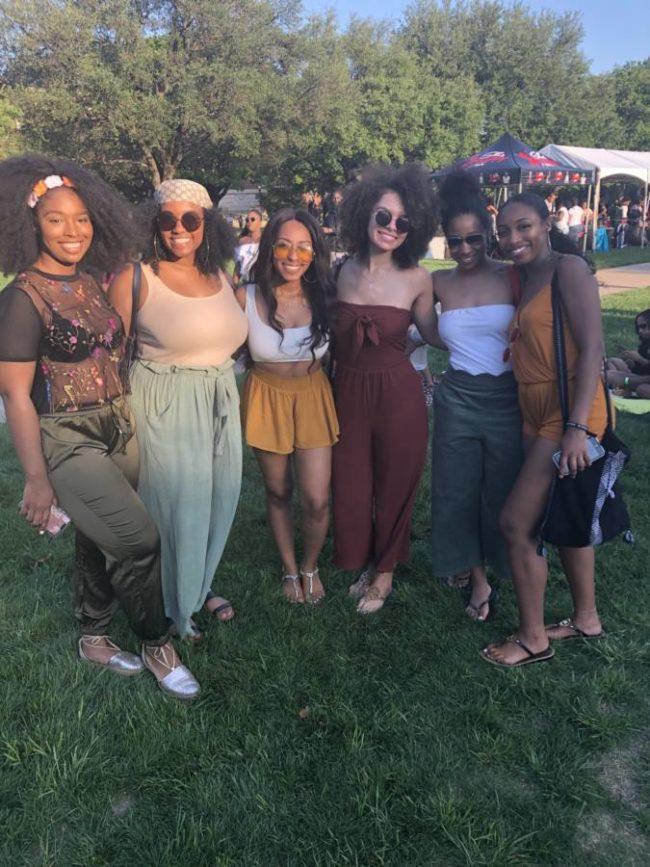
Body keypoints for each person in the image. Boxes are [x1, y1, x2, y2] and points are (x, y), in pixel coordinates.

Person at [0, 155, 199, 699]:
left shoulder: (90, 281)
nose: (73, 230)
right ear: (32, 224)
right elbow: (16, 394)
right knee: (138, 541)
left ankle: (92, 634)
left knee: (96, 535)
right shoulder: (20, 299)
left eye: (83, 218)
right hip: (68, 437)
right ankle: (158, 645)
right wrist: (37, 480)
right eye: (57, 219)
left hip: (121, 425)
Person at [109, 179, 247, 640]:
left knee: (217, 497)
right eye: (167, 219)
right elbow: (112, 356)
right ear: (153, 224)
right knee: (172, 506)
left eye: (191, 219)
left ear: (208, 225)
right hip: (163, 403)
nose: (178, 230)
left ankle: (199, 584)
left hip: (219, 399)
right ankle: (171, 602)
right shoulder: (135, 277)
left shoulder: (222, 275)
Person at [482, 192, 608, 668]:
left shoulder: (568, 269)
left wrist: (576, 427)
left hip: (567, 411)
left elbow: (594, 348)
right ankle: (586, 618)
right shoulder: (525, 275)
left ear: (547, 223)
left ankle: (533, 638)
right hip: (533, 410)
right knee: (565, 513)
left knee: (517, 524)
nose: (514, 239)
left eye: (525, 227)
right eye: (506, 231)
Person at [332, 163, 438, 614]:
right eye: (383, 216)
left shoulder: (418, 278)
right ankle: (361, 558)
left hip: (398, 393)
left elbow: (434, 334)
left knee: (396, 481)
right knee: (352, 484)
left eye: (402, 222)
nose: (392, 227)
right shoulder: (341, 271)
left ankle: (386, 571)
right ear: (363, 214)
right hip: (346, 391)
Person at [431, 172, 523, 621]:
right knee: (456, 491)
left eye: (473, 239)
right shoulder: (440, 283)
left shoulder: (514, 277)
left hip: (507, 397)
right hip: (457, 398)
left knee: (502, 488)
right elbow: (420, 330)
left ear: (488, 235)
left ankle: (503, 562)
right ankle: (477, 577)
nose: (464, 249)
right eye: (455, 242)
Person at [237, 209, 338, 604]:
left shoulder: (327, 295)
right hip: (266, 395)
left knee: (316, 498)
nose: (292, 256)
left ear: (315, 253)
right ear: (269, 248)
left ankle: (311, 566)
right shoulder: (244, 296)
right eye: (283, 245)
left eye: (303, 247)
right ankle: (289, 569)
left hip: (313, 396)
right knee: (279, 490)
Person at [606, 309, 650, 382]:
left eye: (643, 326)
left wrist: (640, 359)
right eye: (638, 327)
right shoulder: (645, 344)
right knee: (612, 361)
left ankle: (623, 383)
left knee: (609, 375)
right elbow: (640, 370)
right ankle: (622, 383)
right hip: (640, 376)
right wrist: (631, 362)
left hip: (646, 380)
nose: (640, 331)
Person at [234, 209, 263, 285]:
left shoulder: (266, 239)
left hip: (262, 283)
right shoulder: (242, 241)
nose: (249, 222)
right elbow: (238, 266)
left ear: (260, 222)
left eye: (252, 219)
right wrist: (235, 283)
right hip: (246, 283)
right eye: (247, 220)